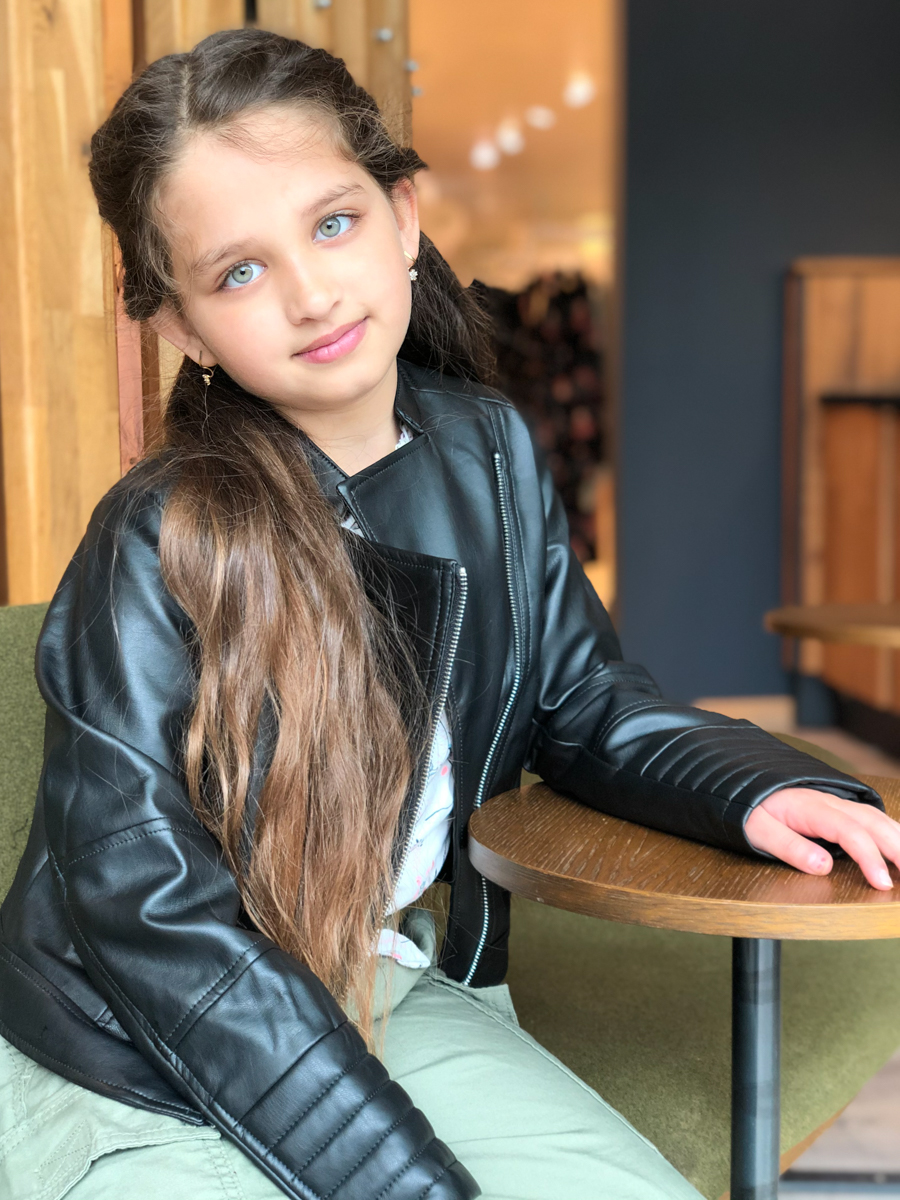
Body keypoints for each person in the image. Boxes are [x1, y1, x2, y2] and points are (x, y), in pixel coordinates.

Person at [1, 29, 899, 1200]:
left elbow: (582, 700)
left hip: (380, 981)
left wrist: (754, 786)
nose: (311, 292)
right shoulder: (159, 536)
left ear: (404, 216)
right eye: (239, 273)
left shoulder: (488, 453)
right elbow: (149, 920)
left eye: (333, 224)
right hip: (126, 1045)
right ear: (179, 327)